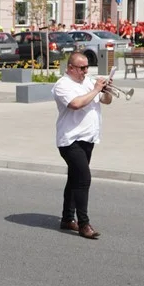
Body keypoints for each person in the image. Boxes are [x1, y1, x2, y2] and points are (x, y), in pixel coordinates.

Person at [52, 51, 112, 239]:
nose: (86, 71)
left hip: (88, 138)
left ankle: (67, 218)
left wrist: (106, 90)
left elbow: (106, 101)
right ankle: (84, 223)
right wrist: (95, 89)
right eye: (82, 68)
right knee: (84, 179)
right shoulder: (62, 85)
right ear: (70, 68)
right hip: (70, 139)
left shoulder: (87, 82)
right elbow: (76, 104)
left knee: (74, 179)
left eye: (87, 67)